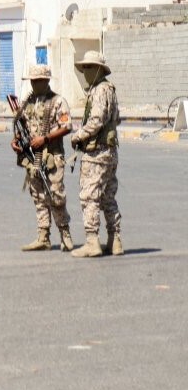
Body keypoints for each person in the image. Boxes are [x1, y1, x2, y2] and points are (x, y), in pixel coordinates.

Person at [12, 64, 74, 252]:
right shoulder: (27, 102)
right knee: (38, 196)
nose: (35, 83)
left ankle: (65, 234)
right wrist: (16, 141)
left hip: (52, 156)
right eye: (32, 80)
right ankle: (43, 236)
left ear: (46, 80)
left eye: (38, 80)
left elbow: (67, 126)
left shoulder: (57, 101)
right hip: (33, 157)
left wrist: (45, 138)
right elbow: (21, 126)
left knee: (55, 195)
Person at [69, 50, 123, 258]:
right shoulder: (109, 89)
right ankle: (115, 240)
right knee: (108, 196)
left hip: (97, 153)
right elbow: (115, 119)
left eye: (90, 67)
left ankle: (92, 241)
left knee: (89, 196)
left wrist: (79, 135)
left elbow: (97, 119)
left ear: (99, 69)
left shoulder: (100, 90)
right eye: (84, 68)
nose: (85, 71)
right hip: (109, 152)